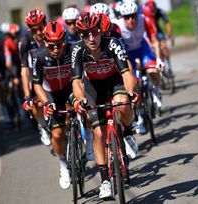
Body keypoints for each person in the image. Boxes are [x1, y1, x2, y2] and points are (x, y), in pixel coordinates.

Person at [72, 12, 138, 199]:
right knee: (99, 133)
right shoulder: (78, 50)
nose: (91, 38)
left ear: (101, 31)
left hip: (114, 81)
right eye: (85, 34)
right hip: (93, 88)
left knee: (122, 105)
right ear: (80, 36)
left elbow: (126, 73)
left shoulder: (113, 44)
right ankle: (105, 181)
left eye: (94, 32)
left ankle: (126, 132)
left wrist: (131, 92)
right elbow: (76, 81)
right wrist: (80, 99)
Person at [32, 21, 72, 190]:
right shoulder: (39, 57)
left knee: (85, 114)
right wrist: (47, 103)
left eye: (59, 44)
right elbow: (37, 84)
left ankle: (87, 137)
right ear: (45, 43)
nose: (56, 49)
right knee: (57, 134)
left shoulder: (74, 50)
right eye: (51, 46)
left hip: (71, 89)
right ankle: (63, 165)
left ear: (65, 41)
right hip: (52, 94)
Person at [117, 1, 164, 134]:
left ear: (137, 14)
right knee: (133, 84)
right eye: (127, 17)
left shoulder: (145, 20)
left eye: (133, 16)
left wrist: (159, 58)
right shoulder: (119, 26)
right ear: (122, 17)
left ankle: (156, 91)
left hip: (142, 49)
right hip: (128, 54)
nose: (131, 20)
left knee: (153, 70)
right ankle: (140, 118)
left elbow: (154, 41)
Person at [20, 9, 51, 146]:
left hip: (53, 72)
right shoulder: (25, 41)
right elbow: (24, 70)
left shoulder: (52, 34)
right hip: (36, 76)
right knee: (35, 104)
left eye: (41, 28)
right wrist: (27, 96)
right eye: (34, 30)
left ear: (46, 24)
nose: (39, 33)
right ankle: (43, 127)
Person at [143, 0, 174, 75]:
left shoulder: (160, 11)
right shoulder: (144, 14)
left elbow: (167, 23)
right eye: (151, 11)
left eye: (154, 10)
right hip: (148, 30)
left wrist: (169, 33)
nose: (153, 13)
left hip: (157, 30)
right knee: (152, 48)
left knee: (163, 46)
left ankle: (169, 66)